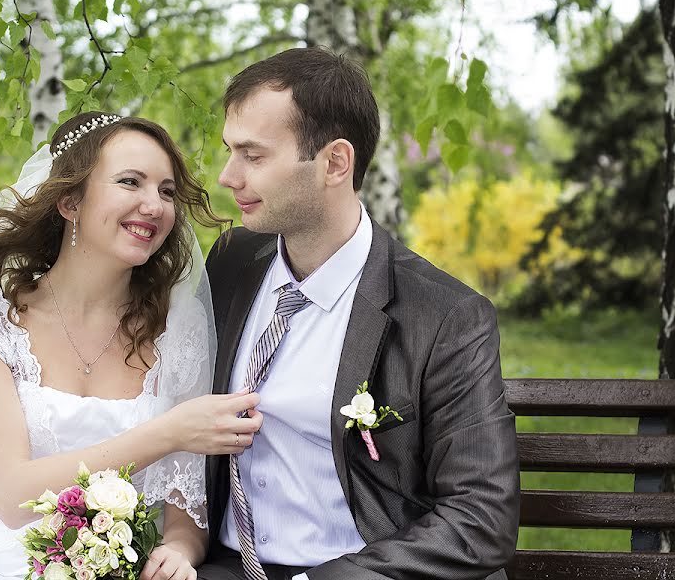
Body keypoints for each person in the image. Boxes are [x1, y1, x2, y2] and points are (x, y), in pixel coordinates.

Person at [0, 114, 263, 580]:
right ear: (70, 202)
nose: (153, 205)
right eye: (130, 182)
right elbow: (14, 495)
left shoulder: (181, 331)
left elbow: (186, 507)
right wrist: (169, 432)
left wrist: (178, 550)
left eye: (166, 191)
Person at [198, 47, 520, 580]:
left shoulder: (444, 316)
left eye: (253, 156)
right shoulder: (231, 263)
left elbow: (480, 517)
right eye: (231, 151)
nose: (228, 175)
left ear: (334, 162)